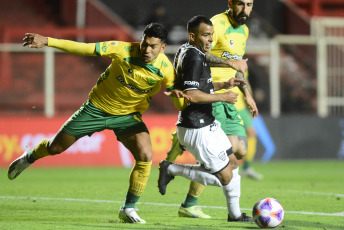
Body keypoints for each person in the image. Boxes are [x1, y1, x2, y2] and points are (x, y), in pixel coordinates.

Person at [7, 23, 191, 224]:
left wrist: (184, 98)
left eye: (153, 47)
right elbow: (85, 48)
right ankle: (30, 157)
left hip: (128, 117)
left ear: (162, 48)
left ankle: (128, 208)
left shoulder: (166, 69)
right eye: (144, 44)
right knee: (55, 147)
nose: (146, 50)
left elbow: (178, 100)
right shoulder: (122, 50)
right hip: (95, 109)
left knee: (146, 154)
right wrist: (47, 41)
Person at [165, 0, 258, 221]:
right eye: (241, 4)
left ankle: (189, 200)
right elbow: (200, 54)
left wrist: (248, 93)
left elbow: (240, 65)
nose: (245, 9)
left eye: (249, 4)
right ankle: (193, 203)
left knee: (240, 151)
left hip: (231, 95)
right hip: (212, 96)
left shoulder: (243, 30)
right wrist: (229, 65)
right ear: (231, 4)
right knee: (223, 155)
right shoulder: (217, 23)